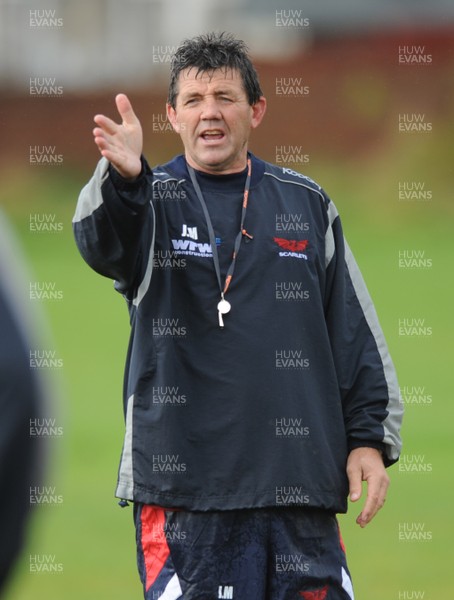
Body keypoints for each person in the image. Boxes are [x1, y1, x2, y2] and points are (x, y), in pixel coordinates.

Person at [73, 32, 403, 600]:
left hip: (298, 490)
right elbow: (99, 242)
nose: (211, 113)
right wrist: (125, 180)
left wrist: (368, 441)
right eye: (195, 100)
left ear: (256, 109)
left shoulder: (307, 204)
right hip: (186, 496)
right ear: (173, 115)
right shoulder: (148, 199)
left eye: (225, 97)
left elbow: (352, 334)